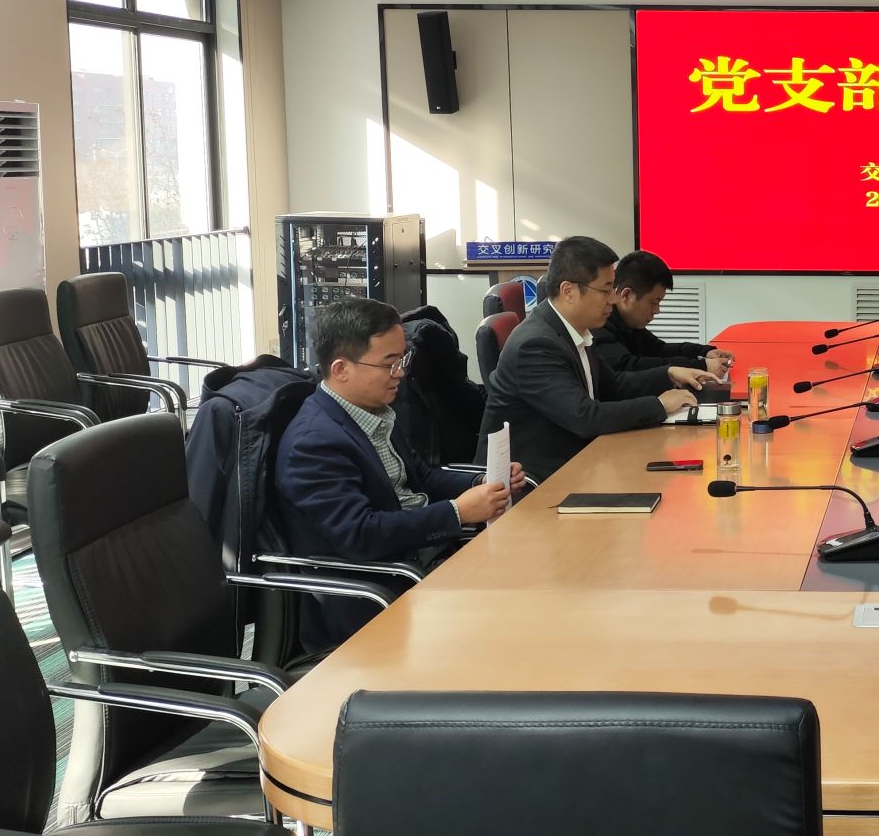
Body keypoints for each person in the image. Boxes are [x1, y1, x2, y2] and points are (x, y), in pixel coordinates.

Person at [274, 298, 525, 646]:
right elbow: (360, 535)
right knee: (509, 618)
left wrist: (480, 481)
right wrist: (457, 512)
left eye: (402, 360)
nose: (401, 374)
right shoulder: (314, 443)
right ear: (341, 369)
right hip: (377, 590)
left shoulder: (371, 411)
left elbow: (420, 476)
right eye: (389, 364)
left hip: (421, 558)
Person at [480, 235, 708, 480]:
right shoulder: (535, 344)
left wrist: (668, 374)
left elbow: (614, 386)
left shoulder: (574, 330)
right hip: (532, 480)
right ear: (569, 291)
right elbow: (585, 417)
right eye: (606, 290)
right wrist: (660, 405)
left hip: (578, 459)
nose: (613, 299)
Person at [595, 250, 732, 375]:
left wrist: (704, 352)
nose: (657, 310)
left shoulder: (628, 323)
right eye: (654, 302)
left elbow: (659, 349)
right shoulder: (599, 324)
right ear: (627, 295)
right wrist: (701, 366)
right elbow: (627, 366)